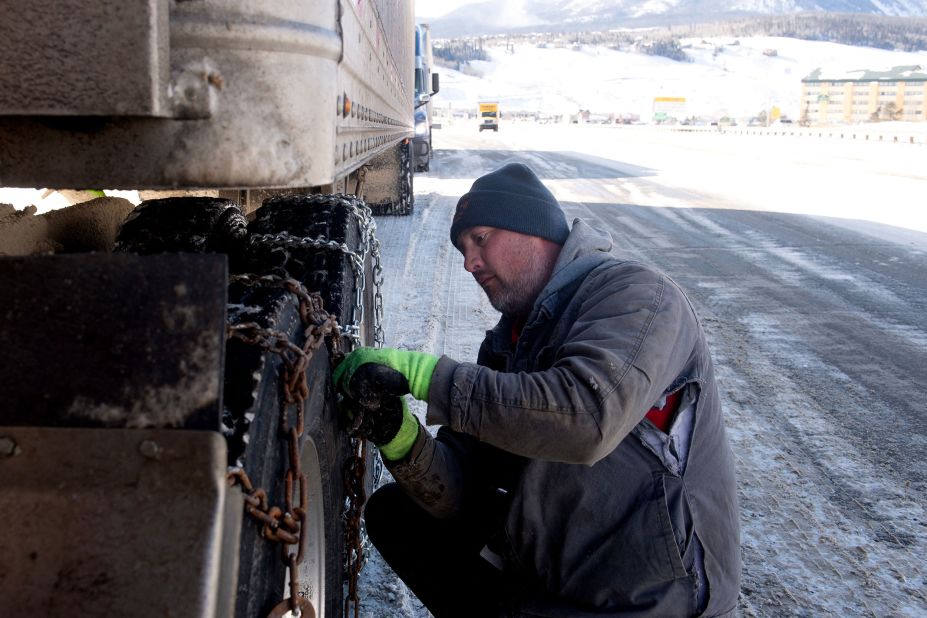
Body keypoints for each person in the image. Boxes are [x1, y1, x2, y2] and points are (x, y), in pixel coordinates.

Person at [333, 162, 741, 617]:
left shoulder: (636, 296)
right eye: (463, 249)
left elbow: (586, 418)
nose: (469, 262)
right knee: (397, 514)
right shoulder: (507, 345)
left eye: (481, 239)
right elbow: (458, 493)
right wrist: (399, 436)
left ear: (533, 229)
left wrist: (427, 375)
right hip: (556, 582)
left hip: (650, 597)